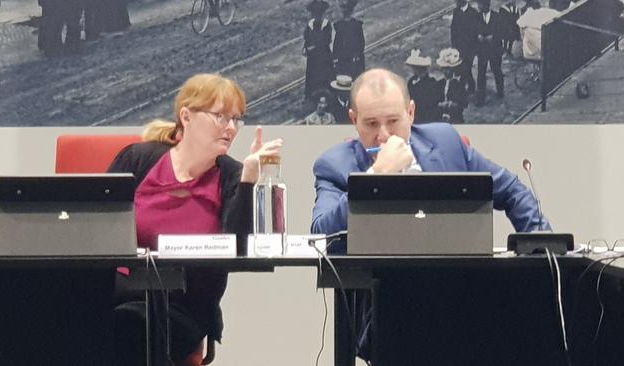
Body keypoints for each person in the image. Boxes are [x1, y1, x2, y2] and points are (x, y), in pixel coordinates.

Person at [108, 73, 283, 366]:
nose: (231, 128)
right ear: (186, 117)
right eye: (220, 116)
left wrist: (249, 179)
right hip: (120, 294)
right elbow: (95, 224)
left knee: (124, 330)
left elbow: (240, 250)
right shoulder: (138, 160)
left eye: (236, 119)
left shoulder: (232, 175)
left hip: (184, 308)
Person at [311, 68, 549, 251]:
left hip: (458, 287)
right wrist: (375, 178)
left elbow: (512, 191)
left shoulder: (446, 142)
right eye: (371, 124)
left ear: (411, 113)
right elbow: (322, 237)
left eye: (393, 121)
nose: (383, 135)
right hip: (380, 295)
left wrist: (545, 251)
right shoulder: (334, 165)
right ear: (354, 120)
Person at [303, 0, 334, 101]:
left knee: (325, 74)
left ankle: (326, 93)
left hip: (323, 55)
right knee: (312, 74)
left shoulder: (326, 24)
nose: (316, 16)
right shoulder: (310, 25)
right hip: (313, 57)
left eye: (318, 14)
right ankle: (311, 94)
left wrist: (314, 46)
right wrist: (307, 47)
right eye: (314, 14)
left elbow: (327, 40)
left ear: (322, 14)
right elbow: (307, 39)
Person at [475, 0, 505, 105]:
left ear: (486, 5)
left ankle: (500, 92)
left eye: (480, 5)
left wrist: (493, 37)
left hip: (494, 50)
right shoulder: (477, 17)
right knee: (481, 74)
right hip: (482, 50)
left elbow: (502, 31)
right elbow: (473, 30)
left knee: (497, 71)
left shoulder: (497, 17)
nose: (478, 7)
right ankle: (480, 98)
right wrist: (478, 36)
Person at [450, 0, 479, 94]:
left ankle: (467, 86)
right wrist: (454, 45)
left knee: (466, 67)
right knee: (464, 68)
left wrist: (473, 48)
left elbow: (475, 32)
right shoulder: (456, 12)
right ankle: (469, 85)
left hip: (470, 48)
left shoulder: (473, 13)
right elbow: (453, 29)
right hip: (459, 47)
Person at [332, 0, 365, 81]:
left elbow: (336, 45)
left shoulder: (339, 26)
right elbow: (361, 44)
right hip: (350, 60)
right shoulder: (356, 25)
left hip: (345, 61)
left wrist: (335, 58)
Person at [405, 49, 441, 123]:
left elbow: (431, 101)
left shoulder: (431, 82)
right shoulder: (412, 81)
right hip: (415, 115)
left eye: (415, 67)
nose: (413, 69)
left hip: (427, 116)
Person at [436, 48, 468, 123]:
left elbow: (463, 104)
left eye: (448, 69)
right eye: (443, 69)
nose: (445, 71)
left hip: (455, 118)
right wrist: (439, 104)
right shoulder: (440, 83)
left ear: (454, 69)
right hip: (441, 117)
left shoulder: (458, 84)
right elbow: (435, 99)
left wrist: (450, 105)